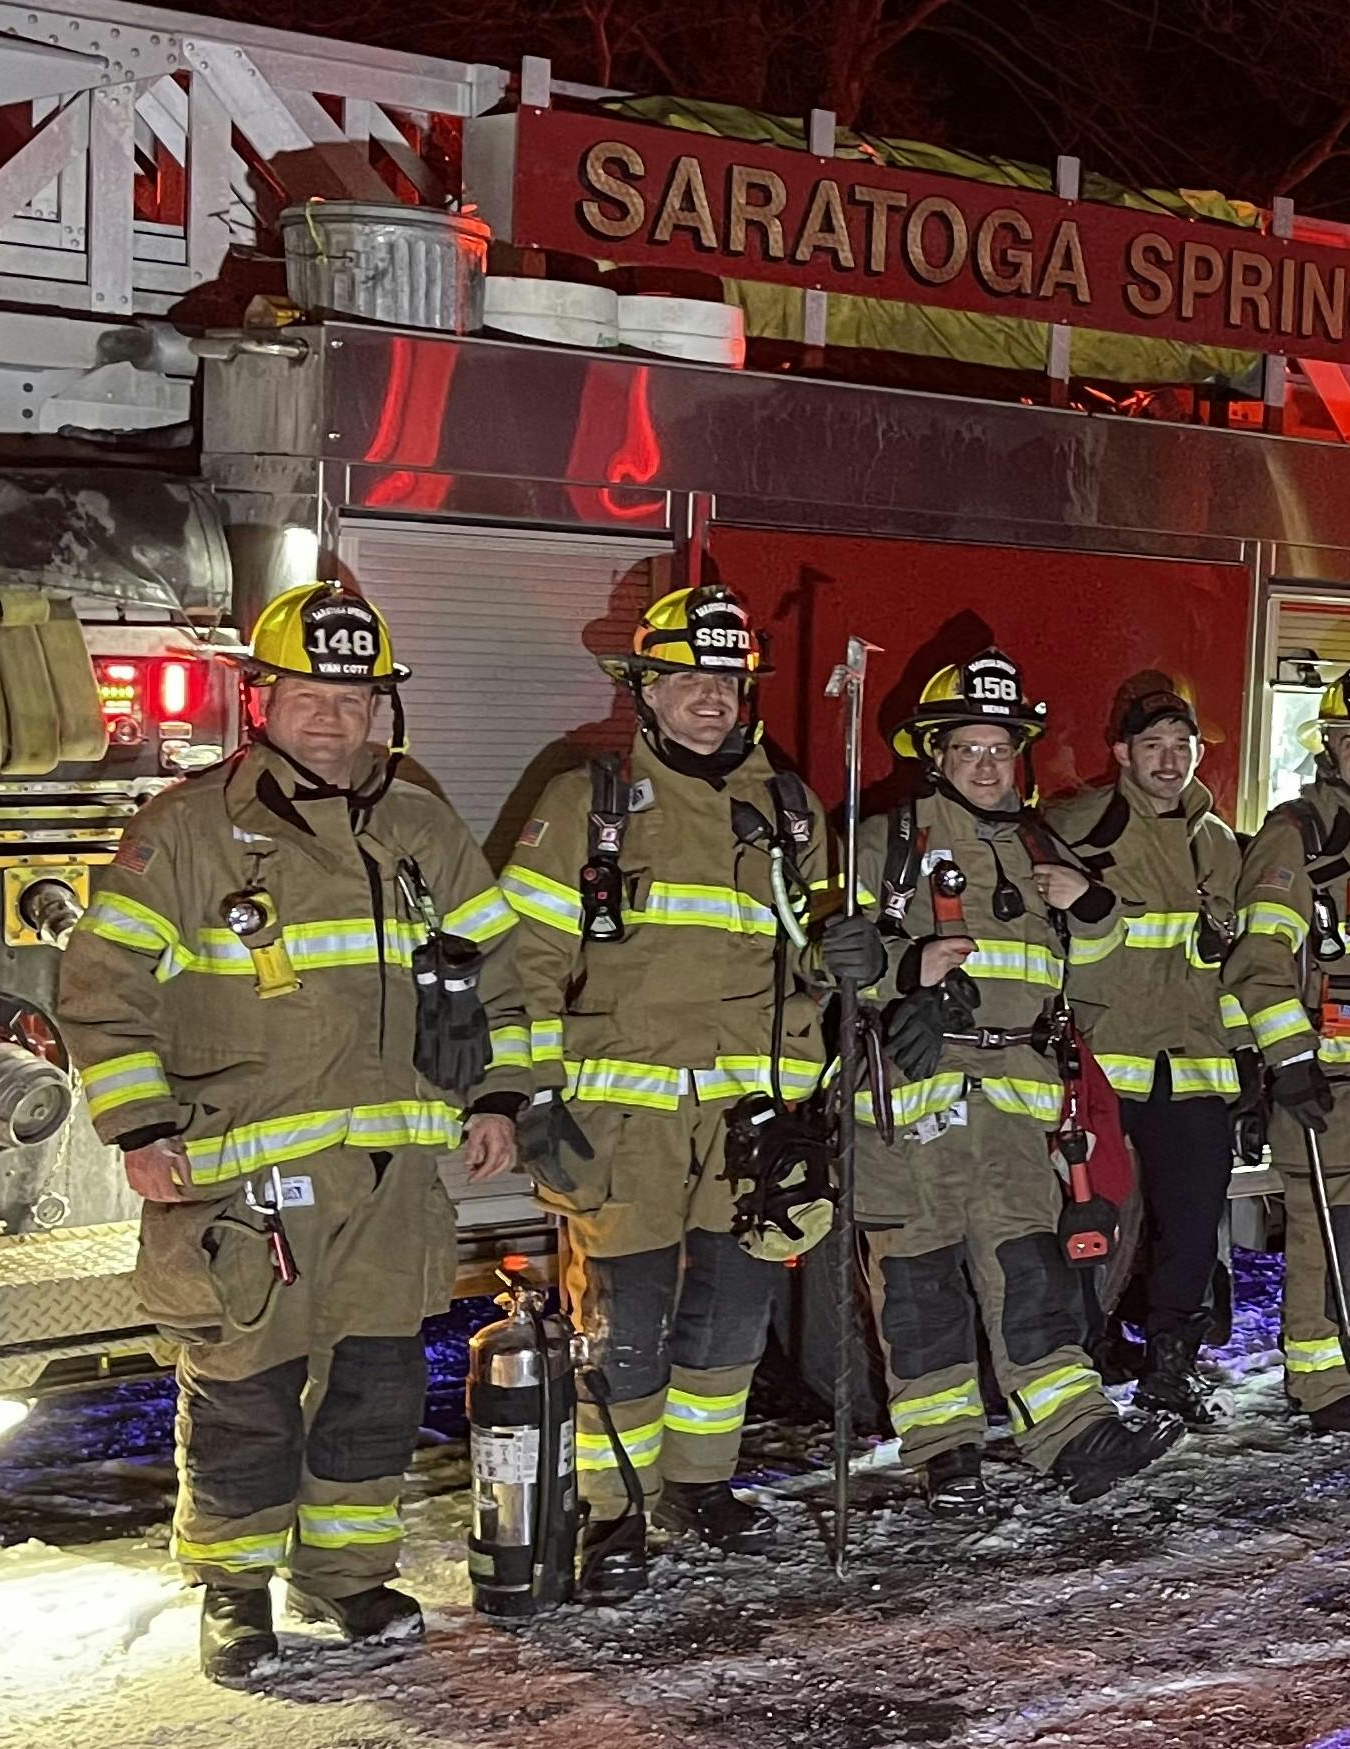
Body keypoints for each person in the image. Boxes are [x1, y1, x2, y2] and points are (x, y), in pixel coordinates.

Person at [60, 582, 530, 1682]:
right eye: (309, 693)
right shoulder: (184, 829)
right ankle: (234, 1593)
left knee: (375, 1382)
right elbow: (100, 986)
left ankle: (346, 1578)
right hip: (246, 1179)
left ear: (381, 708)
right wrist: (137, 1123)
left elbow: (502, 970)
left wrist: (503, 1096)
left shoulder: (419, 818)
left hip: (392, 1178)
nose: (333, 716)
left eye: (354, 696)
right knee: (246, 1389)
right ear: (260, 698)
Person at [499, 584, 856, 1596]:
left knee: (733, 1314)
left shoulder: (792, 813)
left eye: (726, 678)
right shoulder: (586, 804)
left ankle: (697, 1484)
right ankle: (608, 1509)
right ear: (645, 688)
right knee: (625, 1320)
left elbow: (815, 960)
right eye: (687, 676)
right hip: (627, 1128)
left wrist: (850, 957)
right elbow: (522, 959)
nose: (709, 695)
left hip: (753, 1124)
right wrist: (529, 1094)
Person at [846, 648, 1181, 1506]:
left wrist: (1094, 909)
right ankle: (943, 1448)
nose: (990, 766)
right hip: (912, 1099)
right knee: (919, 1281)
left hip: (1019, 1103)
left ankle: (1072, 1433)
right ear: (937, 756)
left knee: (1032, 1271)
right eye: (970, 750)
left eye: (1002, 750)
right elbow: (827, 957)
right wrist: (903, 970)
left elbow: (1094, 975)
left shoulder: (1043, 843)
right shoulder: (884, 841)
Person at [1224, 660, 1350, 1430]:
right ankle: (1318, 1381)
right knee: (1322, 1227)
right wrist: (1291, 1060)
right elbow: (1260, 961)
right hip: (1318, 1075)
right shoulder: (1296, 832)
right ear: (1327, 745)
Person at [1047, 685, 1251, 1425]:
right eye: (1153, 745)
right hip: (1102, 1064)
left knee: (1193, 1228)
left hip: (1194, 1067)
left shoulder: (1221, 843)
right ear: (1122, 752)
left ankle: (1172, 1367)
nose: (1169, 760)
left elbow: (1232, 963)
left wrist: (1248, 1058)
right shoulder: (1077, 825)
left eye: (1183, 745)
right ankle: (1076, 1364)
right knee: (1087, 1221)